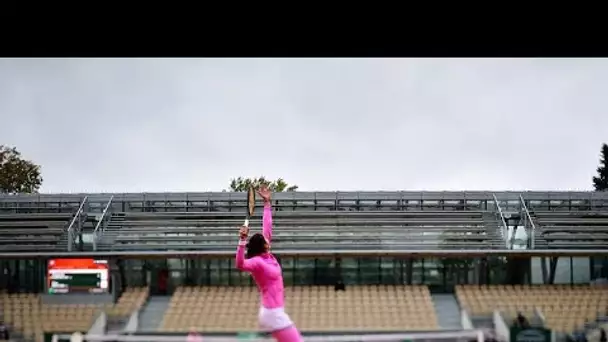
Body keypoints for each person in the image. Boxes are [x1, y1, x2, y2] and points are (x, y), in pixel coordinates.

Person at [236, 185, 303, 342]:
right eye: (266, 240)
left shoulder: (268, 257)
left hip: (274, 312)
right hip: (273, 313)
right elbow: (240, 264)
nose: (269, 239)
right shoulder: (258, 262)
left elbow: (267, 227)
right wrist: (242, 240)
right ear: (262, 246)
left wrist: (267, 204)